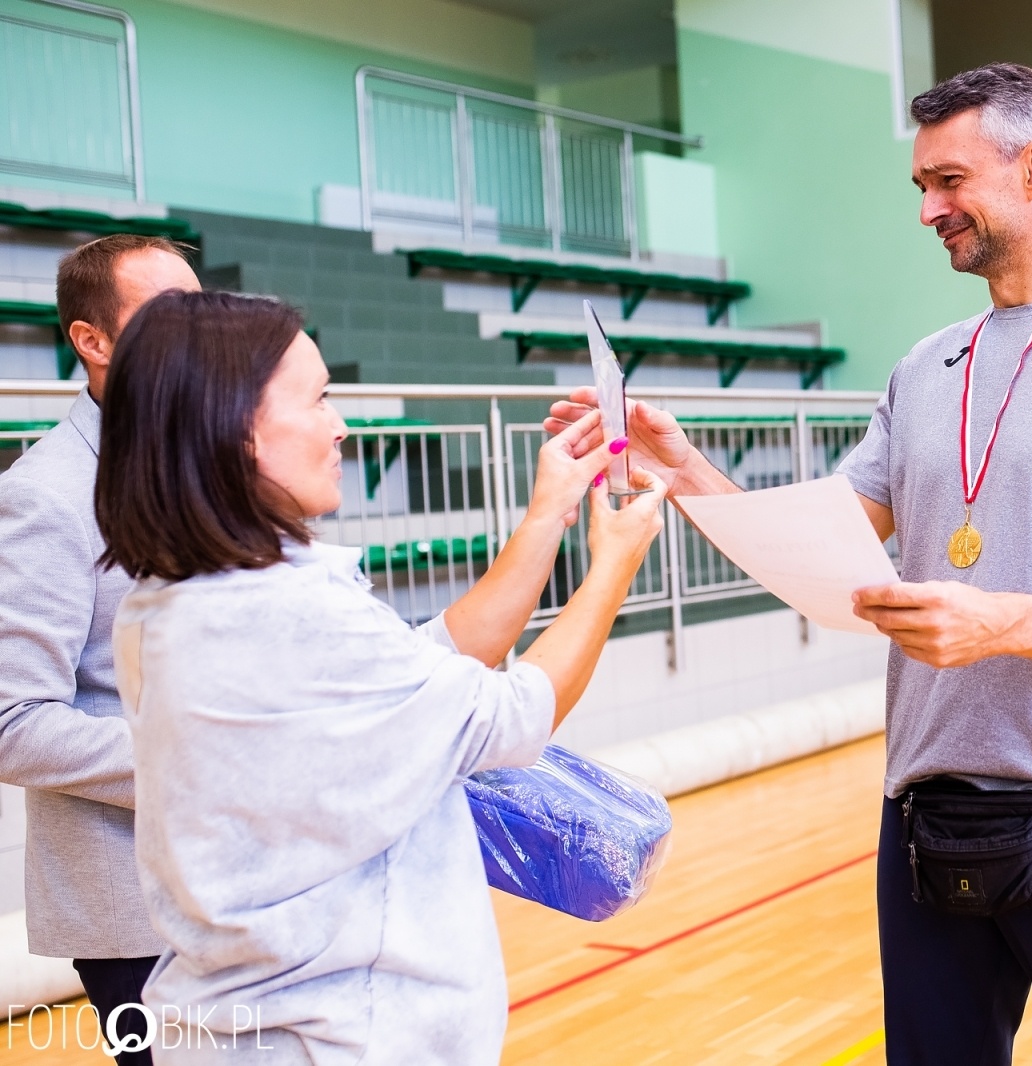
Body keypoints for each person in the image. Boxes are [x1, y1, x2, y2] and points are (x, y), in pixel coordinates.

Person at [546, 63, 1032, 1066]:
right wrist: (679, 460)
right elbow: (812, 550)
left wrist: (1000, 622)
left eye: (948, 181)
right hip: (922, 812)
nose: (927, 209)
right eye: (920, 186)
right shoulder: (923, 369)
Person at [95, 290, 663, 1062]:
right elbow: (511, 717)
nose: (341, 425)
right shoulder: (277, 610)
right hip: (332, 1037)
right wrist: (614, 566)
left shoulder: (177, 596)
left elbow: (423, 667)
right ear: (238, 430)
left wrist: (547, 518)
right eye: (318, 399)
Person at [0, 233, 201, 1064]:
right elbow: (13, 722)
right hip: (140, 915)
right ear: (92, 341)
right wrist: (213, 758)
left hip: (247, 881)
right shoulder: (42, 499)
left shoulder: (205, 463)